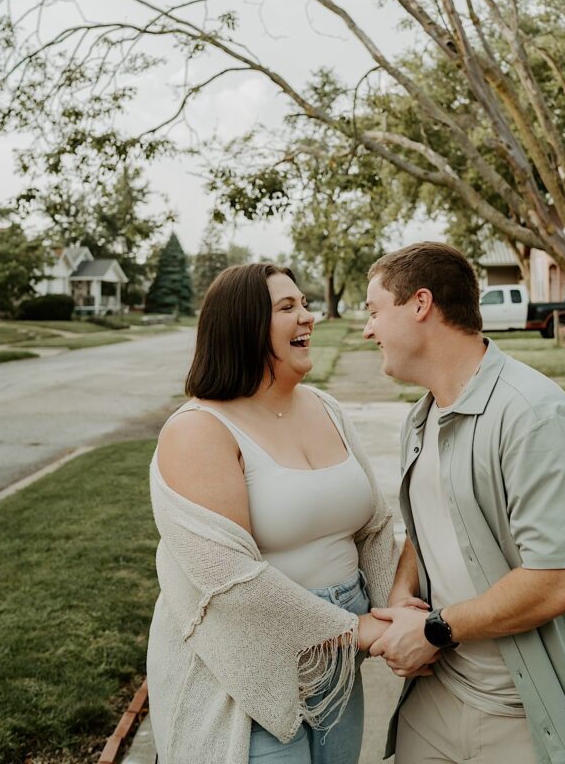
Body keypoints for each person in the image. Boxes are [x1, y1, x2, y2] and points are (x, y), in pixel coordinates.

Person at [362, 242, 565, 764]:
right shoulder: (421, 419)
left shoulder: (534, 417)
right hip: (439, 698)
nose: (368, 329)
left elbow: (557, 582)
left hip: (529, 710)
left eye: (375, 310)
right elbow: (431, 523)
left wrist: (432, 630)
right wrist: (403, 591)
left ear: (420, 304)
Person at [146, 262, 399, 764]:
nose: (308, 317)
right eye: (288, 308)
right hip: (244, 670)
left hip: (337, 668)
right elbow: (230, 580)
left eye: (305, 304)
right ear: (244, 325)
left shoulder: (326, 407)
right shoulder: (198, 429)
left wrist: (397, 609)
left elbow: (375, 528)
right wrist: (355, 630)